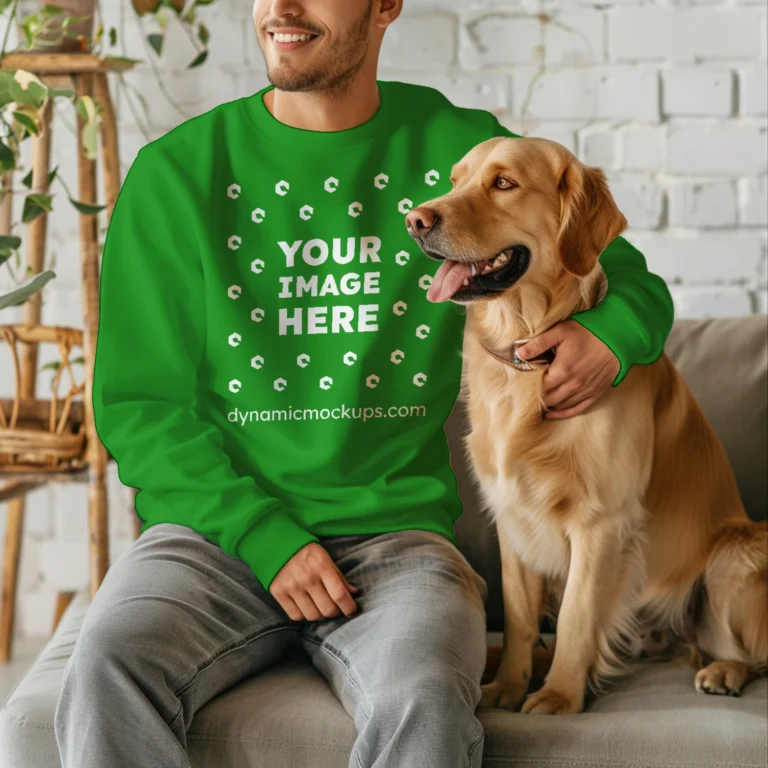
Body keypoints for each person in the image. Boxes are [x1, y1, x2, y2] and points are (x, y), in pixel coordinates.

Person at [54, 1, 674, 766]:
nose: (281, 8)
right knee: (106, 666)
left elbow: (632, 281)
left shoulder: (456, 148)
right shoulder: (178, 172)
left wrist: (607, 339)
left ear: (385, 6)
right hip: (211, 539)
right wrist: (265, 539)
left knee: (424, 695)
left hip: (399, 542)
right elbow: (139, 407)